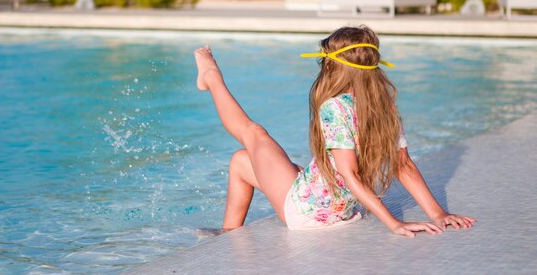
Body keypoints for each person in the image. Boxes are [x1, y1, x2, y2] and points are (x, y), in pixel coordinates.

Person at [193, 25, 475, 237]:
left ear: (331, 66)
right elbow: (403, 165)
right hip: (339, 210)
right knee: (242, 162)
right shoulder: (385, 105)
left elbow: (349, 174)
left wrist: (394, 223)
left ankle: (211, 77)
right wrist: (439, 213)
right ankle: (229, 234)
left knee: (254, 133)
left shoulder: (335, 107)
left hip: (309, 213)